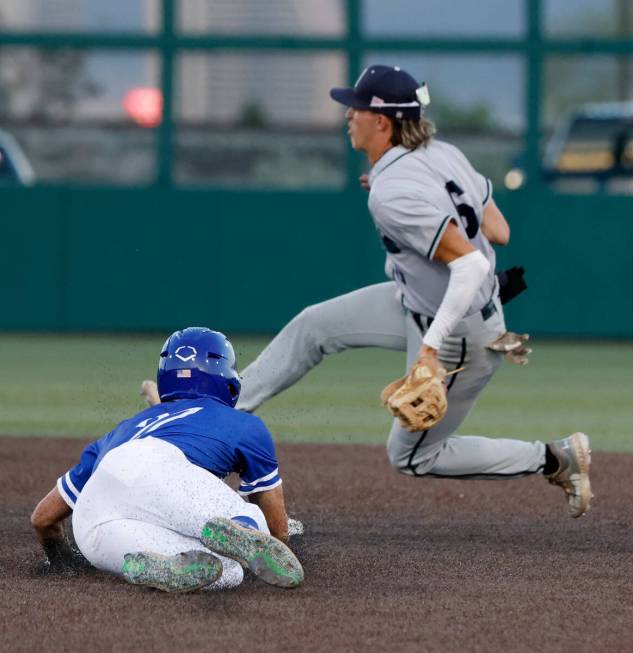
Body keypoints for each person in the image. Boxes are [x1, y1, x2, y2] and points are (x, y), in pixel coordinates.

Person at [142, 66, 592, 519]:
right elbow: (499, 230)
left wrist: (430, 350)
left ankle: (553, 457)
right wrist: (409, 198)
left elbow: (472, 262)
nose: (347, 116)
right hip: (419, 302)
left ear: (383, 122)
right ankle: (210, 413)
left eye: (355, 108)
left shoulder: (393, 189)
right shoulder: (440, 153)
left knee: (413, 456)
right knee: (314, 326)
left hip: (458, 330)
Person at [31, 327, 304, 593]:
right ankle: (241, 526)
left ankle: (155, 565)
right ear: (227, 379)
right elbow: (277, 525)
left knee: (225, 571)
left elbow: (43, 519)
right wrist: (278, 542)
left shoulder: (120, 431)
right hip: (160, 466)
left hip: (94, 512)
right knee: (250, 527)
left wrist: (63, 563)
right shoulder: (243, 424)